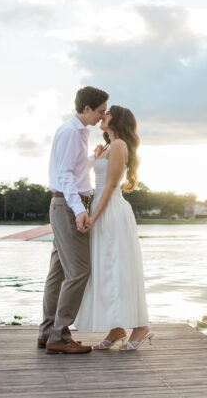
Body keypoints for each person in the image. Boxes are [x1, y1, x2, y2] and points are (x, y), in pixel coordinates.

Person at [74, 105, 152, 351]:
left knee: (120, 268)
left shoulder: (119, 146)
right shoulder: (109, 146)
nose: (102, 116)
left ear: (116, 119)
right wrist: (96, 155)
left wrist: (94, 217)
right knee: (104, 268)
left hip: (111, 211)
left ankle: (140, 326)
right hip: (100, 207)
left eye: (106, 113)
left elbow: (109, 186)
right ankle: (117, 327)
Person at [38, 86, 108, 354]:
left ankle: (47, 333)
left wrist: (92, 158)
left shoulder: (76, 132)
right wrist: (79, 210)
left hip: (64, 204)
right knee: (79, 271)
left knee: (58, 272)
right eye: (100, 111)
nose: (102, 117)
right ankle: (60, 336)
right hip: (68, 206)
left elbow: (74, 170)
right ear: (87, 108)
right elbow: (66, 176)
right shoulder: (70, 132)